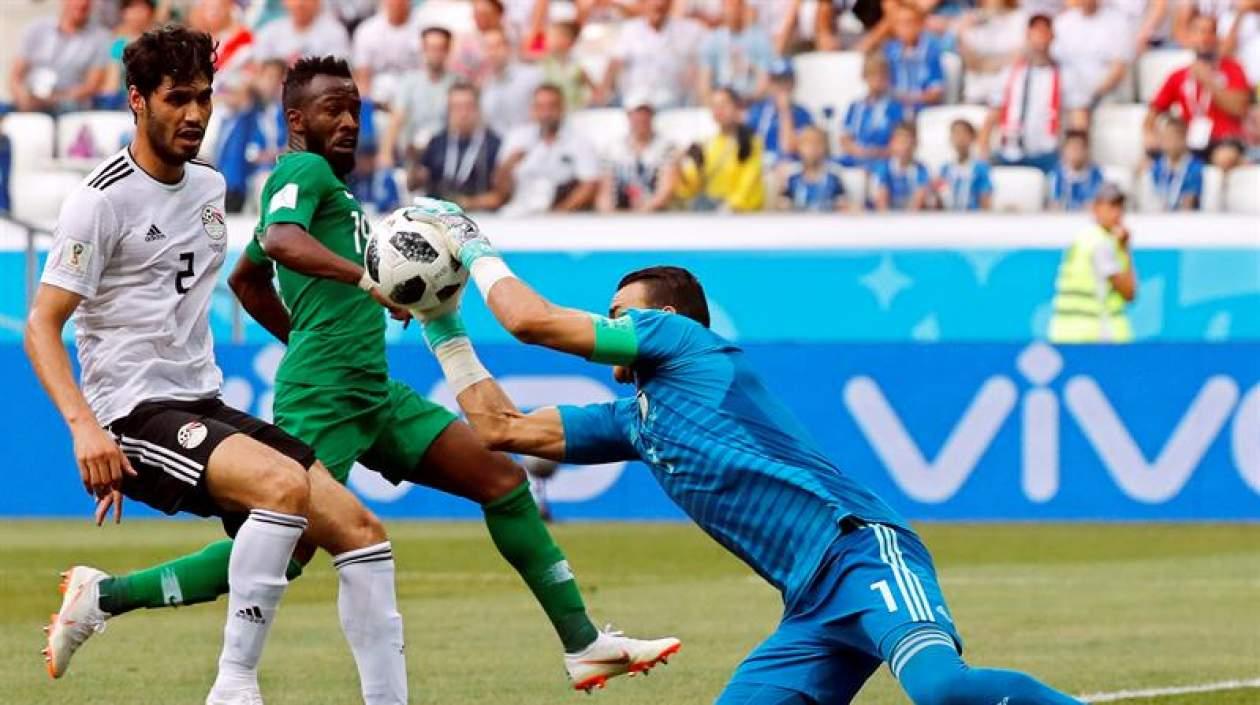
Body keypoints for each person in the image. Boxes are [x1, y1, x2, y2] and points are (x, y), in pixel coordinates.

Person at [99, 57, 676, 696]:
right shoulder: (301, 169)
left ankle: (584, 645)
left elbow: (247, 275)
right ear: (296, 119)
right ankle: (106, 596)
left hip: (372, 390)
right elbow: (283, 241)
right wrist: (360, 288)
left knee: (503, 481)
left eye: (355, 109)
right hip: (323, 396)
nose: (348, 121)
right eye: (331, 110)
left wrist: (311, 332)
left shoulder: (337, 193)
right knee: (282, 554)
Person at [406, 201, 1088, 705]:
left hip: (860, 551)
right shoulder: (634, 420)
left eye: (622, 311)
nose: (613, 321)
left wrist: (473, 248)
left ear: (662, 321)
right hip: (810, 604)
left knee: (942, 691)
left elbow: (531, 322)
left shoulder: (688, 346)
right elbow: (500, 428)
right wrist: (441, 320)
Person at [26, 27, 403, 705]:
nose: (196, 114)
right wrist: (87, 429)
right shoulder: (99, 200)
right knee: (281, 488)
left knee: (362, 534)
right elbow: (41, 327)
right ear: (136, 100)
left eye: (204, 97)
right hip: (133, 413)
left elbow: (232, 284)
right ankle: (232, 687)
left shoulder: (209, 184)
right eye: (177, 99)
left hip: (203, 402)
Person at [1145, 12, 1251, 169]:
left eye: (1210, 32)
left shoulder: (1233, 69)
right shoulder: (1179, 75)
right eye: (1199, 32)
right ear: (1190, 37)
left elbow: (1240, 108)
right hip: (1190, 142)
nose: (1205, 38)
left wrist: (1209, 81)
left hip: (1224, 141)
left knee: (1224, 158)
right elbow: (1153, 113)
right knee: (1148, 164)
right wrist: (1150, 134)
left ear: (1217, 37)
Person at [1048, 183, 1138, 343]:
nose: (1117, 213)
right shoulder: (1101, 244)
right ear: (1095, 208)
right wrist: (1125, 250)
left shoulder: (1083, 237)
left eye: (1120, 207)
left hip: (1066, 332)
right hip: (1095, 334)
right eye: (1111, 207)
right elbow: (1128, 292)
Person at [980, 13, 1065, 173]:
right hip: (1010, 152)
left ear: (1052, 36)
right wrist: (983, 152)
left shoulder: (1063, 76)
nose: (1040, 38)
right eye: (1036, 32)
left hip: (1045, 153)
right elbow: (992, 116)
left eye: (1044, 32)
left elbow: (1075, 119)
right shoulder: (1010, 74)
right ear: (1027, 35)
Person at [496, 83, 600, 214]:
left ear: (562, 108)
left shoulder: (579, 142)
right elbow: (500, 192)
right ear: (532, 109)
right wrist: (506, 167)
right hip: (517, 211)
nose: (546, 113)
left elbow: (589, 184)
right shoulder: (517, 138)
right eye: (540, 107)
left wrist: (560, 212)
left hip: (559, 215)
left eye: (552, 106)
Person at [8, 0, 111, 114]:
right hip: (30, 101)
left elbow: (92, 86)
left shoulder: (99, 38)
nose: (82, 3)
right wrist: (22, 97)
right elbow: (15, 76)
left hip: (70, 107)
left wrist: (52, 100)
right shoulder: (37, 29)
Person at [598, 0, 705, 108]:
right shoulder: (630, 30)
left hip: (673, 99)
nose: (658, 4)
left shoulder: (689, 31)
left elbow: (700, 65)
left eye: (663, 2)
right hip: (636, 100)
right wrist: (602, 93)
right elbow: (615, 64)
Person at [674, 87, 766, 212]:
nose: (719, 110)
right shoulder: (706, 144)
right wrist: (679, 169)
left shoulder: (751, 142)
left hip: (741, 216)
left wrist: (729, 207)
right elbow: (691, 188)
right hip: (711, 213)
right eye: (714, 106)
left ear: (737, 108)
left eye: (724, 104)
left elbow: (749, 183)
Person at [379, 27, 456, 174]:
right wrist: (385, 153)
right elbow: (397, 118)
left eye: (440, 48)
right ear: (423, 50)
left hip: (444, 153)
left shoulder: (457, 84)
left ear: (447, 51)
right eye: (431, 48)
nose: (435, 53)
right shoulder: (409, 82)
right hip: (412, 152)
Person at [415, 83, 504, 210]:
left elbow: (500, 197)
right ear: (448, 111)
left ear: (478, 109)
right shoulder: (436, 143)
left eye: (468, 107)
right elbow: (415, 185)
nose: (463, 113)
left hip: (480, 217)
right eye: (456, 107)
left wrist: (469, 203)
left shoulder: (493, 145)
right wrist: (413, 162)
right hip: (438, 217)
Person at [1051, 0, 1133, 128]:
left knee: (1078, 101)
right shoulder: (1063, 22)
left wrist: (1092, 93)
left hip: (1104, 91)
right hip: (1070, 89)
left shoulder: (1117, 21)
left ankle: (1078, 138)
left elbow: (1119, 68)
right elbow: (1055, 61)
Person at [596, 98, 678, 213]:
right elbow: (604, 193)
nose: (641, 118)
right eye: (637, 113)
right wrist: (610, 216)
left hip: (655, 218)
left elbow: (665, 192)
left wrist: (638, 216)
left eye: (646, 113)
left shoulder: (666, 147)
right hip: (619, 216)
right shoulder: (612, 148)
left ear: (652, 116)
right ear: (629, 116)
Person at [697, 0, 776, 105]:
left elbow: (765, 81)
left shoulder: (760, 39)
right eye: (727, 6)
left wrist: (746, 104)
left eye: (734, 6)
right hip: (721, 103)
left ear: (742, 7)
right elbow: (704, 83)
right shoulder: (713, 40)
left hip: (750, 104)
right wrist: (713, 105)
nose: (731, 11)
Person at [837, 52, 904, 168]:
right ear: (864, 77)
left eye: (882, 76)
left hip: (881, 161)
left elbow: (898, 144)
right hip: (855, 157)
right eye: (872, 75)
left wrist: (874, 152)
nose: (877, 80)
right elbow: (845, 138)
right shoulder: (855, 106)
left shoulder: (894, 107)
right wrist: (856, 150)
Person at [351, 0, 421, 107]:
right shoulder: (367, 30)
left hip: (413, 95)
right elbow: (362, 76)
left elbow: (426, 74)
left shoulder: (422, 29)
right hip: (376, 95)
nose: (396, 3)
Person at [957, 0, 1027, 105]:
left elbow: (1019, 56)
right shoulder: (970, 19)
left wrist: (986, 63)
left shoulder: (1020, 18)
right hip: (976, 94)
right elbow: (969, 61)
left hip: (1006, 93)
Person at [744, 59, 813, 166]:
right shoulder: (758, 111)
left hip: (790, 168)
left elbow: (789, 148)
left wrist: (785, 112)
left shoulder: (803, 114)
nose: (781, 86)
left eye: (786, 80)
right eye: (777, 81)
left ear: (794, 82)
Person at [478, 27, 543, 138]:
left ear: (509, 48)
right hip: (498, 149)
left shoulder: (533, 76)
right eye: (487, 48)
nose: (492, 53)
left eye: (496, 46)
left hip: (530, 144)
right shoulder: (485, 86)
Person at [883, 4, 945, 116]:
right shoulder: (889, 51)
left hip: (924, 112)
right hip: (894, 111)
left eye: (909, 22)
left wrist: (910, 99)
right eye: (899, 23)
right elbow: (881, 85)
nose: (904, 28)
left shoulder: (931, 51)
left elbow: (936, 92)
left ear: (920, 24)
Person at [252, 0, 351, 64]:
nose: (300, 3)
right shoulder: (269, 32)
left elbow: (335, 76)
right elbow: (259, 71)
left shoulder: (335, 33)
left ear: (318, 2)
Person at [100, 0, 157, 109]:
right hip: (124, 101)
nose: (136, 15)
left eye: (141, 9)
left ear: (150, 12)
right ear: (123, 13)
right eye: (132, 9)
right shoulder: (118, 43)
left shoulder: (158, 42)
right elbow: (112, 80)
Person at [777, 125, 849, 212]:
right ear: (799, 147)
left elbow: (843, 206)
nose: (813, 148)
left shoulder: (834, 175)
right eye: (807, 143)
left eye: (818, 143)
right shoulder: (792, 175)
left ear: (825, 147)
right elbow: (782, 207)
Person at [1143, 116, 1205, 211]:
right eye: (1166, 137)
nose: (1169, 142)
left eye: (1174, 137)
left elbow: (1189, 202)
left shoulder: (1196, 168)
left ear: (1184, 139)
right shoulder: (1156, 167)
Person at [869, 122, 931, 212]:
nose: (904, 146)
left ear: (915, 143)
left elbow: (918, 201)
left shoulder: (921, 169)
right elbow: (881, 202)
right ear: (892, 143)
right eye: (900, 141)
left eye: (907, 141)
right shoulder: (883, 167)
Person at [934, 118, 993, 211]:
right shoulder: (945, 169)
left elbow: (985, 198)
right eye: (956, 133)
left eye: (964, 133)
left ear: (972, 137)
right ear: (951, 138)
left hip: (973, 220)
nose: (960, 138)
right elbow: (939, 202)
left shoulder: (980, 168)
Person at [539, 21, 594, 111]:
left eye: (554, 36)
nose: (549, 40)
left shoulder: (577, 65)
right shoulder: (544, 62)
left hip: (575, 110)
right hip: (554, 112)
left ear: (568, 40)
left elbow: (590, 86)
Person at [1048, 129, 1105, 211]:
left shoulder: (1096, 175)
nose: (1075, 152)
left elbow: (1097, 202)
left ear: (1086, 151)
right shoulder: (1056, 174)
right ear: (1064, 151)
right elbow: (1054, 202)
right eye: (1072, 148)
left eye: (1079, 148)